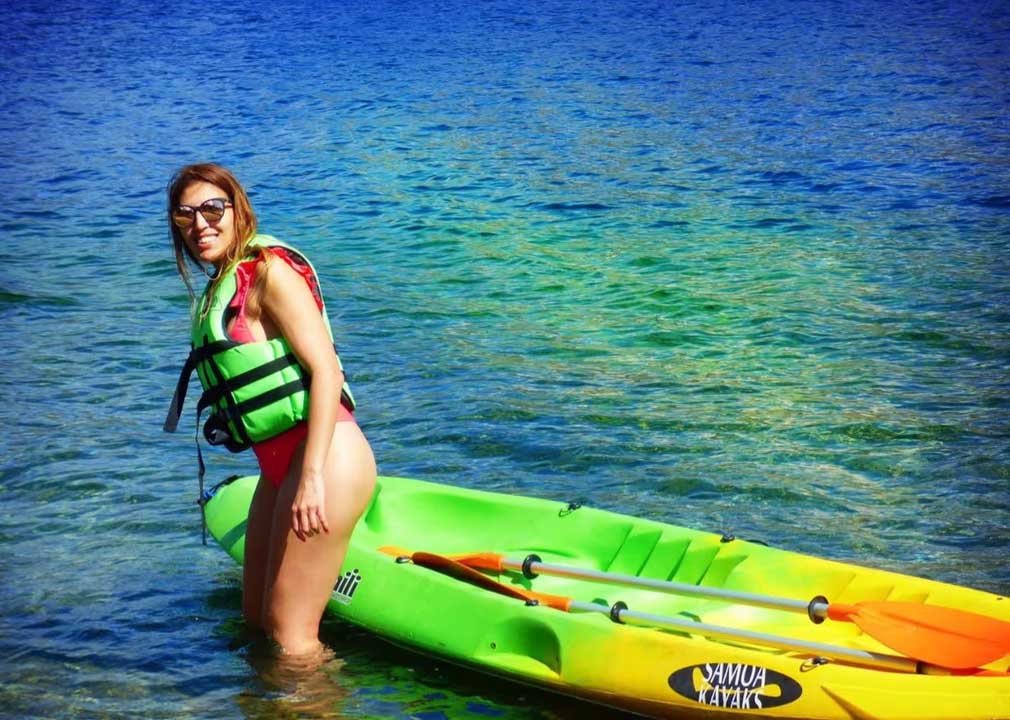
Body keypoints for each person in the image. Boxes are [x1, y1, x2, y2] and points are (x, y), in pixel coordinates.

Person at [165, 163, 376, 657]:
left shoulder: (269, 275)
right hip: (279, 469)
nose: (200, 224)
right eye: (185, 215)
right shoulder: (222, 286)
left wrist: (312, 477)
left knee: (291, 639)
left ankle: (322, 697)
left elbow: (327, 372)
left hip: (325, 459)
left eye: (212, 209)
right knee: (257, 623)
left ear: (238, 210)